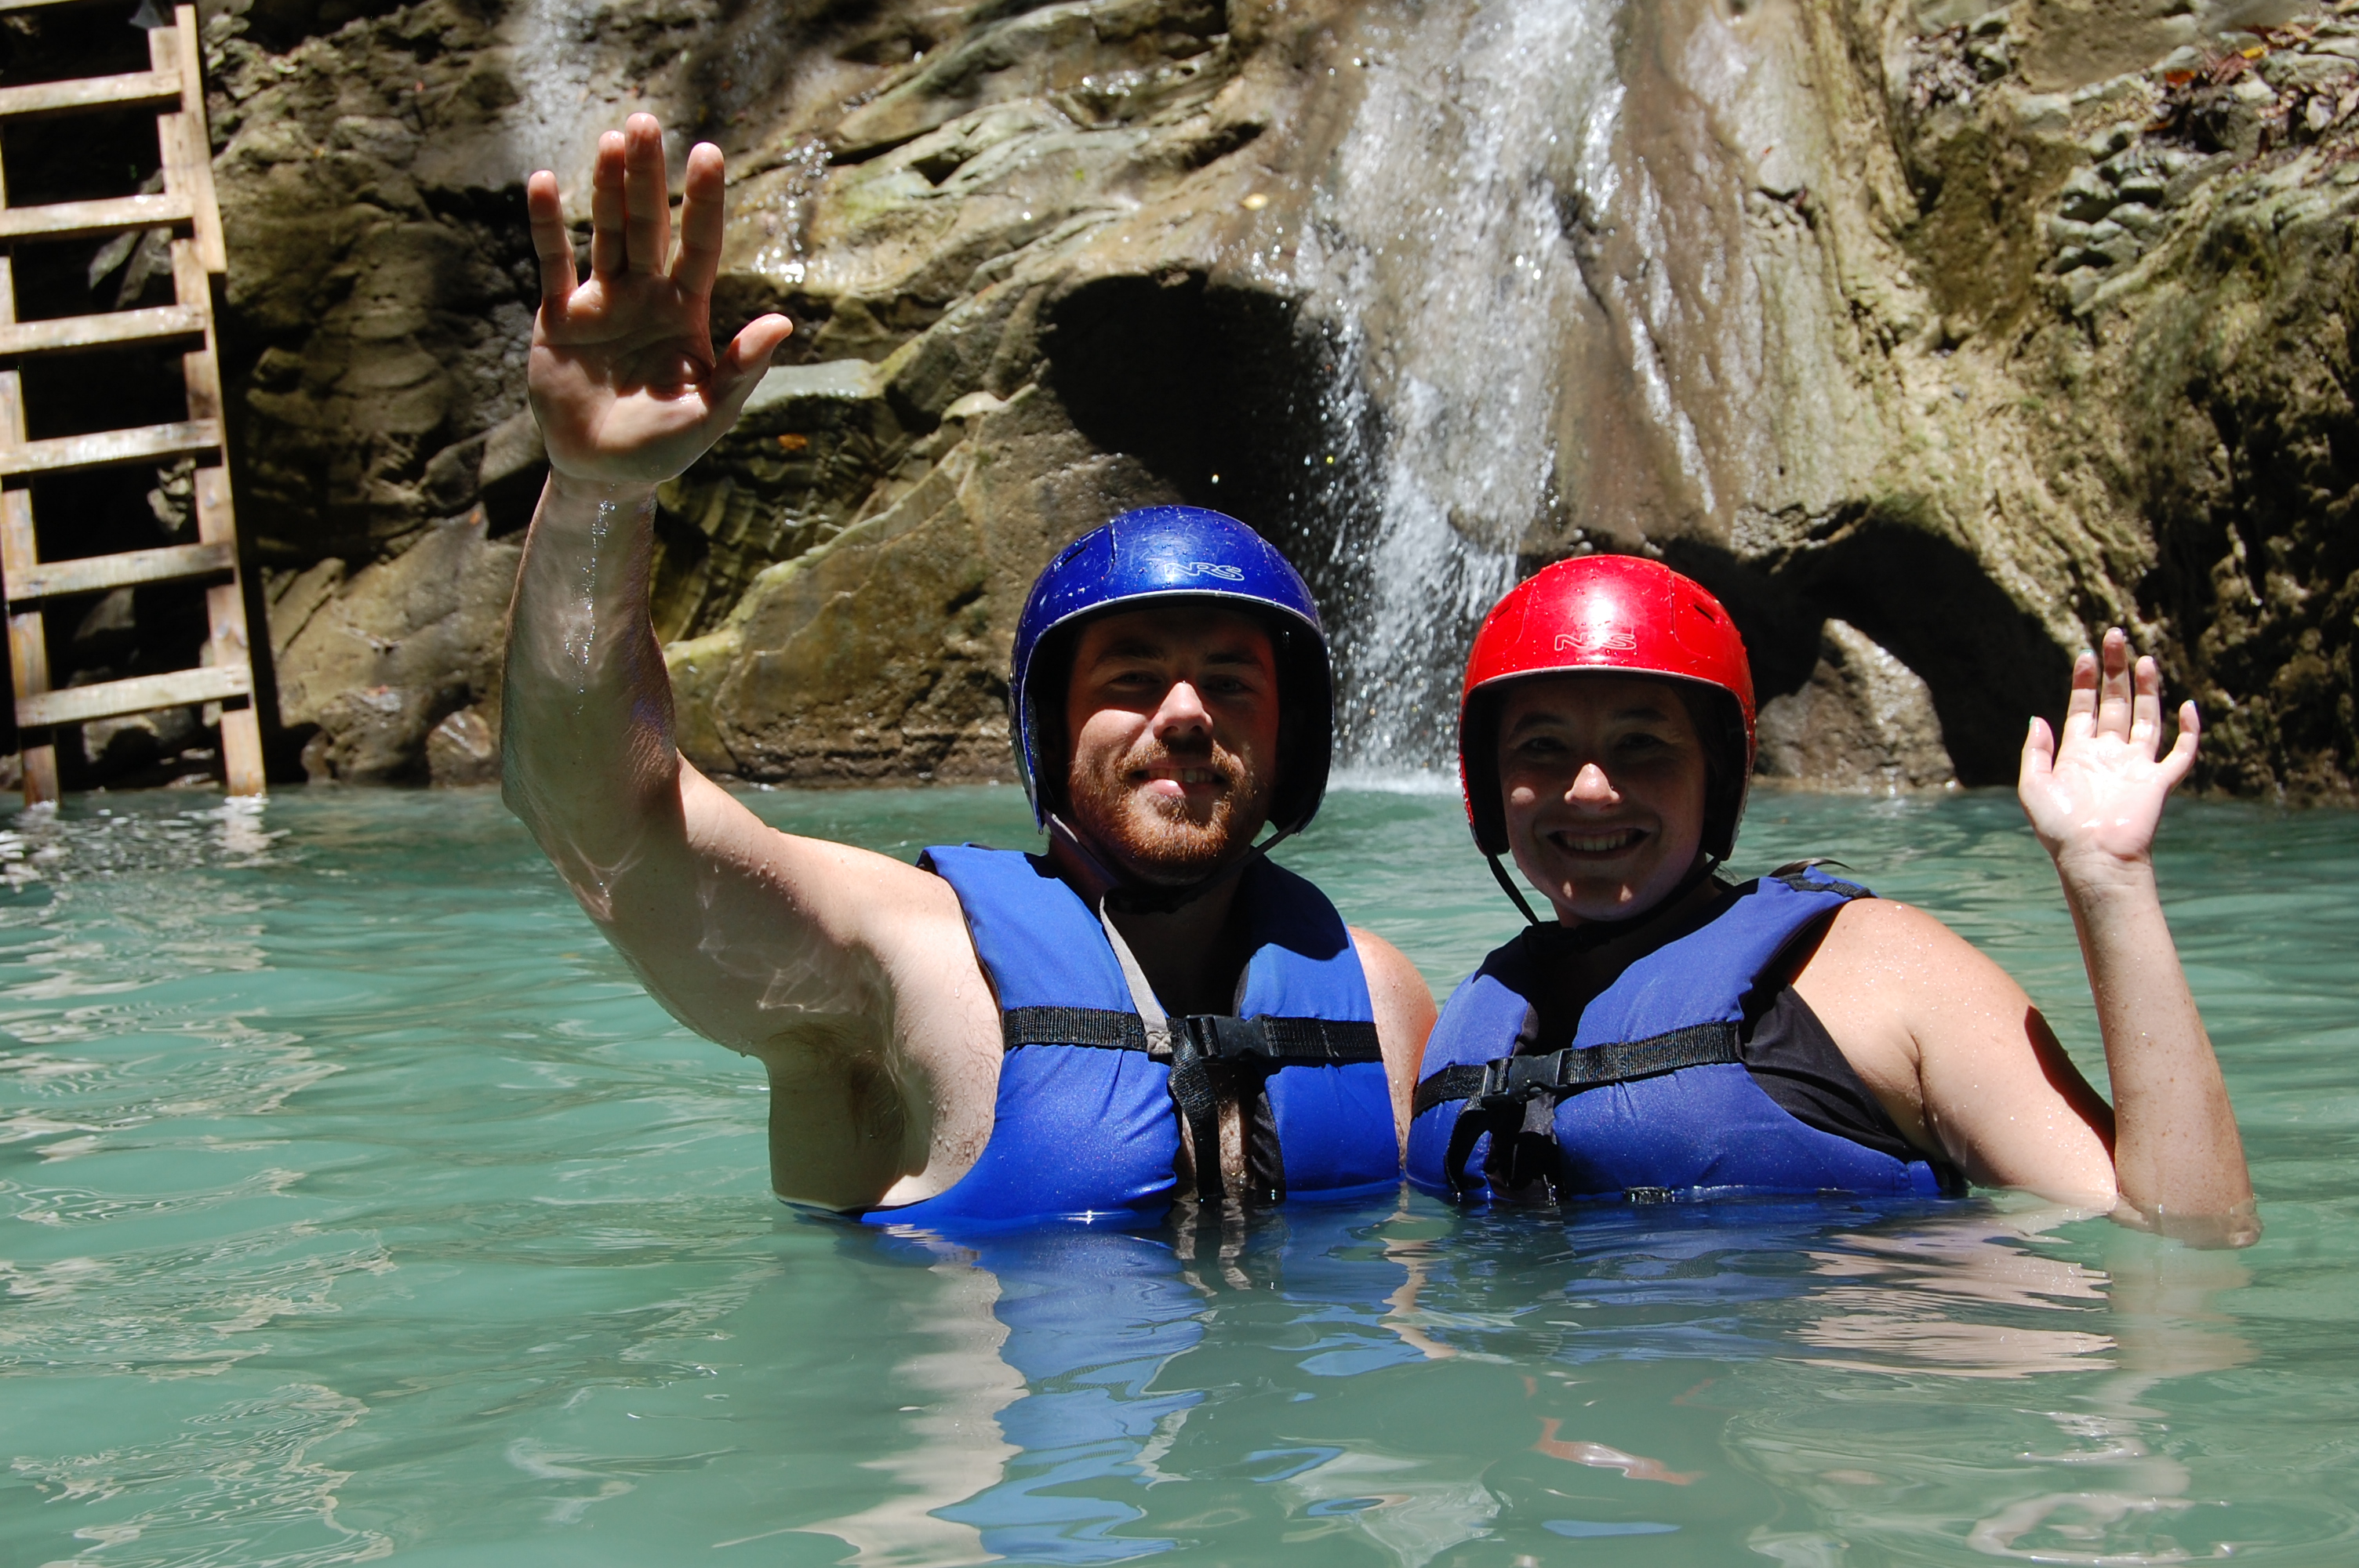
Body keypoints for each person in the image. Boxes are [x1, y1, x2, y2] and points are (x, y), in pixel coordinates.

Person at [501, 114, 1432, 1227]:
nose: (1185, 714)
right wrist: (601, 497)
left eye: (1231, 683)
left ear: (1294, 741)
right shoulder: (894, 963)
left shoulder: (1377, 997)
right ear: (1050, 727)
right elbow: (597, 810)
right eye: (1132, 678)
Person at [1406, 555, 2257, 1243]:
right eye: (1541, 746)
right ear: (1490, 785)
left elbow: (2180, 1236)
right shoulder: (1472, 1023)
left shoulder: (1875, 966)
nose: (1590, 788)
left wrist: (2107, 879)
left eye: (1641, 743)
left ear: (1718, 776)